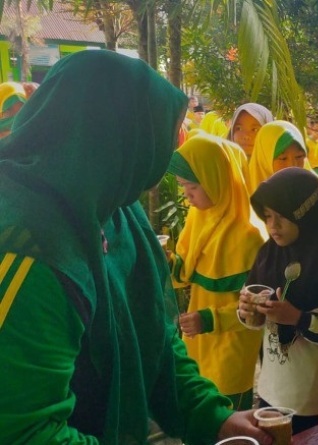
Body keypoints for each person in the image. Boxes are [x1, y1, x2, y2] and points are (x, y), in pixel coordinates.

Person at [0, 50, 270, 444]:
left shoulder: (115, 206)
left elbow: (156, 339)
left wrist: (212, 417)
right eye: (162, 132)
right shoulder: (29, 249)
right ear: (117, 135)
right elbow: (24, 431)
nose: (168, 149)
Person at [238, 168, 318, 435]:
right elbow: (254, 319)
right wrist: (247, 312)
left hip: (308, 397)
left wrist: (297, 318)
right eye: (268, 217)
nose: (273, 226)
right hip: (271, 389)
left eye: (282, 217)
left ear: (307, 215)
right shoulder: (268, 254)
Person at [168, 133, 266, 411]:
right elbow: (183, 275)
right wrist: (166, 261)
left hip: (231, 347)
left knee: (227, 417)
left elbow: (256, 310)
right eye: (183, 186)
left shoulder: (248, 237)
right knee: (199, 408)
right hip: (198, 340)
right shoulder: (198, 218)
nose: (187, 195)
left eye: (193, 187)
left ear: (216, 179)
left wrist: (210, 320)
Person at [249, 120, 311, 186]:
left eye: (299, 156)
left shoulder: (316, 190)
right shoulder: (244, 193)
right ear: (264, 160)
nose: (293, 165)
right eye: (283, 158)